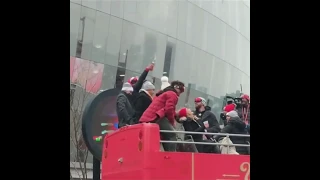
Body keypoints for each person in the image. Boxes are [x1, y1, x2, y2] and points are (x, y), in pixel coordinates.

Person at [139, 80, 185, 151]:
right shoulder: (172, 94)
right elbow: (169, 109)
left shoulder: (163, 93)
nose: (180, 93)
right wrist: (172, 122)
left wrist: (174, 115)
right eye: (181, 91)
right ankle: (170, 156)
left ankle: (166, 154)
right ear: (177, 88)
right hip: (157, 117)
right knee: (172, 134)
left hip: (149, 117)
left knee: (165, 135)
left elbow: (167, 108)